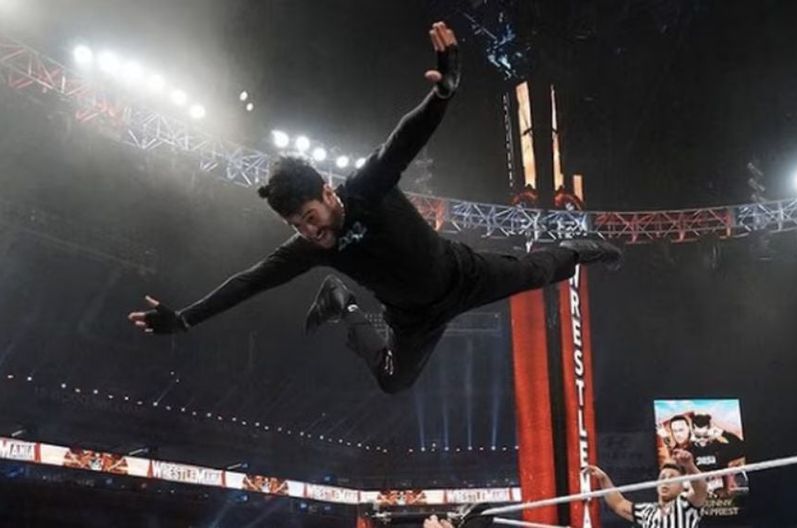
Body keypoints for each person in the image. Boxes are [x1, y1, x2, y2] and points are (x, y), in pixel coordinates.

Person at [128, 21, 621, 394]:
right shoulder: (309, 249)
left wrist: (442, 94)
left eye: (310, 217)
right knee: (392, 382)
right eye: (297, 226)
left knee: (541, 270)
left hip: (463, 275)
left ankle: (585, 248)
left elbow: (404, 139)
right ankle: (342, 304)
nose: (309, 231)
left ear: (328, 193)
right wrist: (186, 319)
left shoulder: (366, 188)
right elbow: (249, 282)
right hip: (412, 318)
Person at [585, 449, 707, 528]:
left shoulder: (685, 504)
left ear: (682, 486)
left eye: (672, 478)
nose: (666, 481)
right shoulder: (647, 511)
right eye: (662, 477)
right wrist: (603, 478)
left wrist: (689, 466)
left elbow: (701, 488)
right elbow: (618, 504)